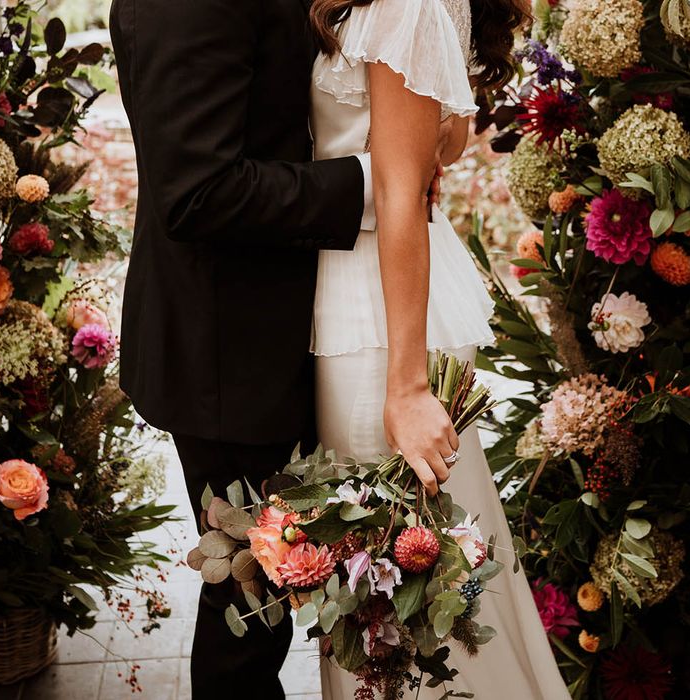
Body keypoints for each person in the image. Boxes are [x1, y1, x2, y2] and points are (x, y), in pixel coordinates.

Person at [108, 0, 449, 697]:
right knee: (247, 606)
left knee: (273, 593)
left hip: (278, 330)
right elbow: (198, 192)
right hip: (225, 353)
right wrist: (375, 181)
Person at [308, 0, 572, 697]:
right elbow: (440, 141)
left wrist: (408, 388)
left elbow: (400, 192)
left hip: (378, 318)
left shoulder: (411, 2)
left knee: (407, 589)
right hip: (361, 289)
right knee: (381, 594)